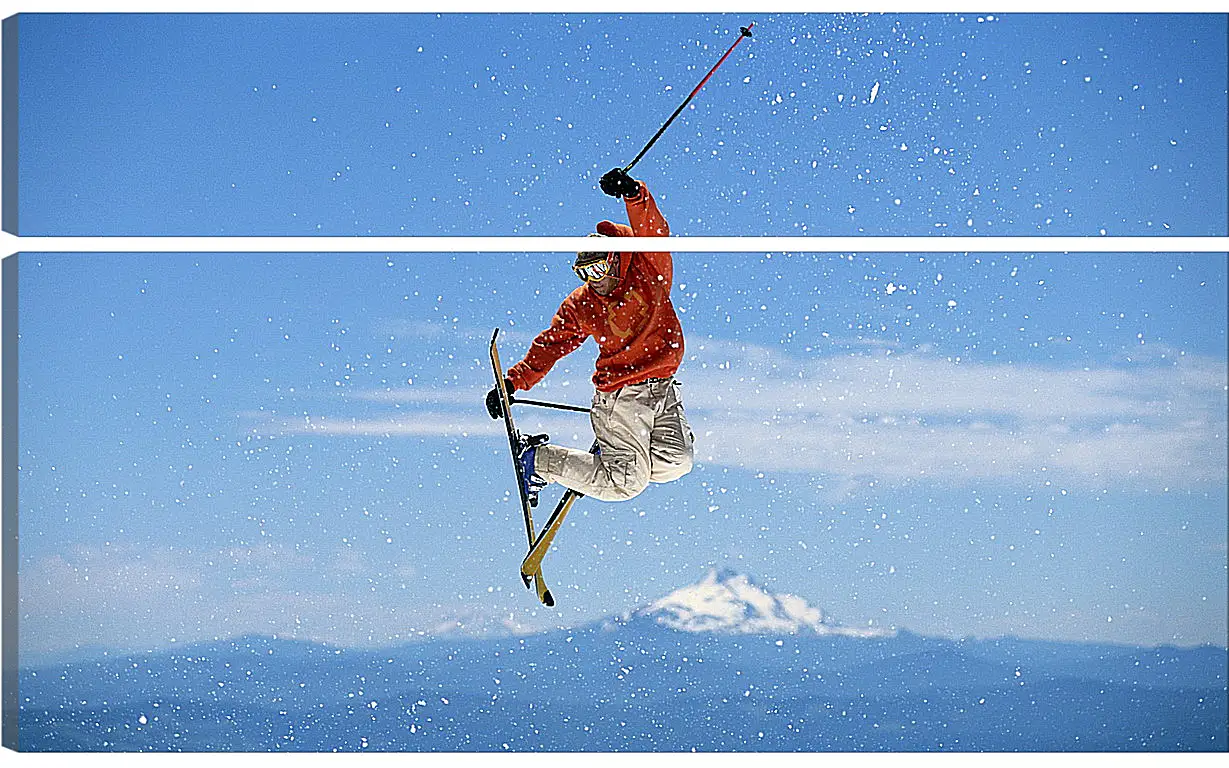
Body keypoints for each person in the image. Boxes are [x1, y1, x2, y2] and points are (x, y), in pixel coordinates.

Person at [486, 167, 694, 503]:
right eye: (584, 273)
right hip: (621, 395)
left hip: (662, 387)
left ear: (615, 260)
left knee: (677, 461)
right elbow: (551, 344)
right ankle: (538, 461)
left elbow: (654, 233)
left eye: (597, 269)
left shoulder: (648, 269)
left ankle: (615, 456)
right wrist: (513, 382)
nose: (593, 280)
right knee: (625, 484)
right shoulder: (583, 303)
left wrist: (632, 192)